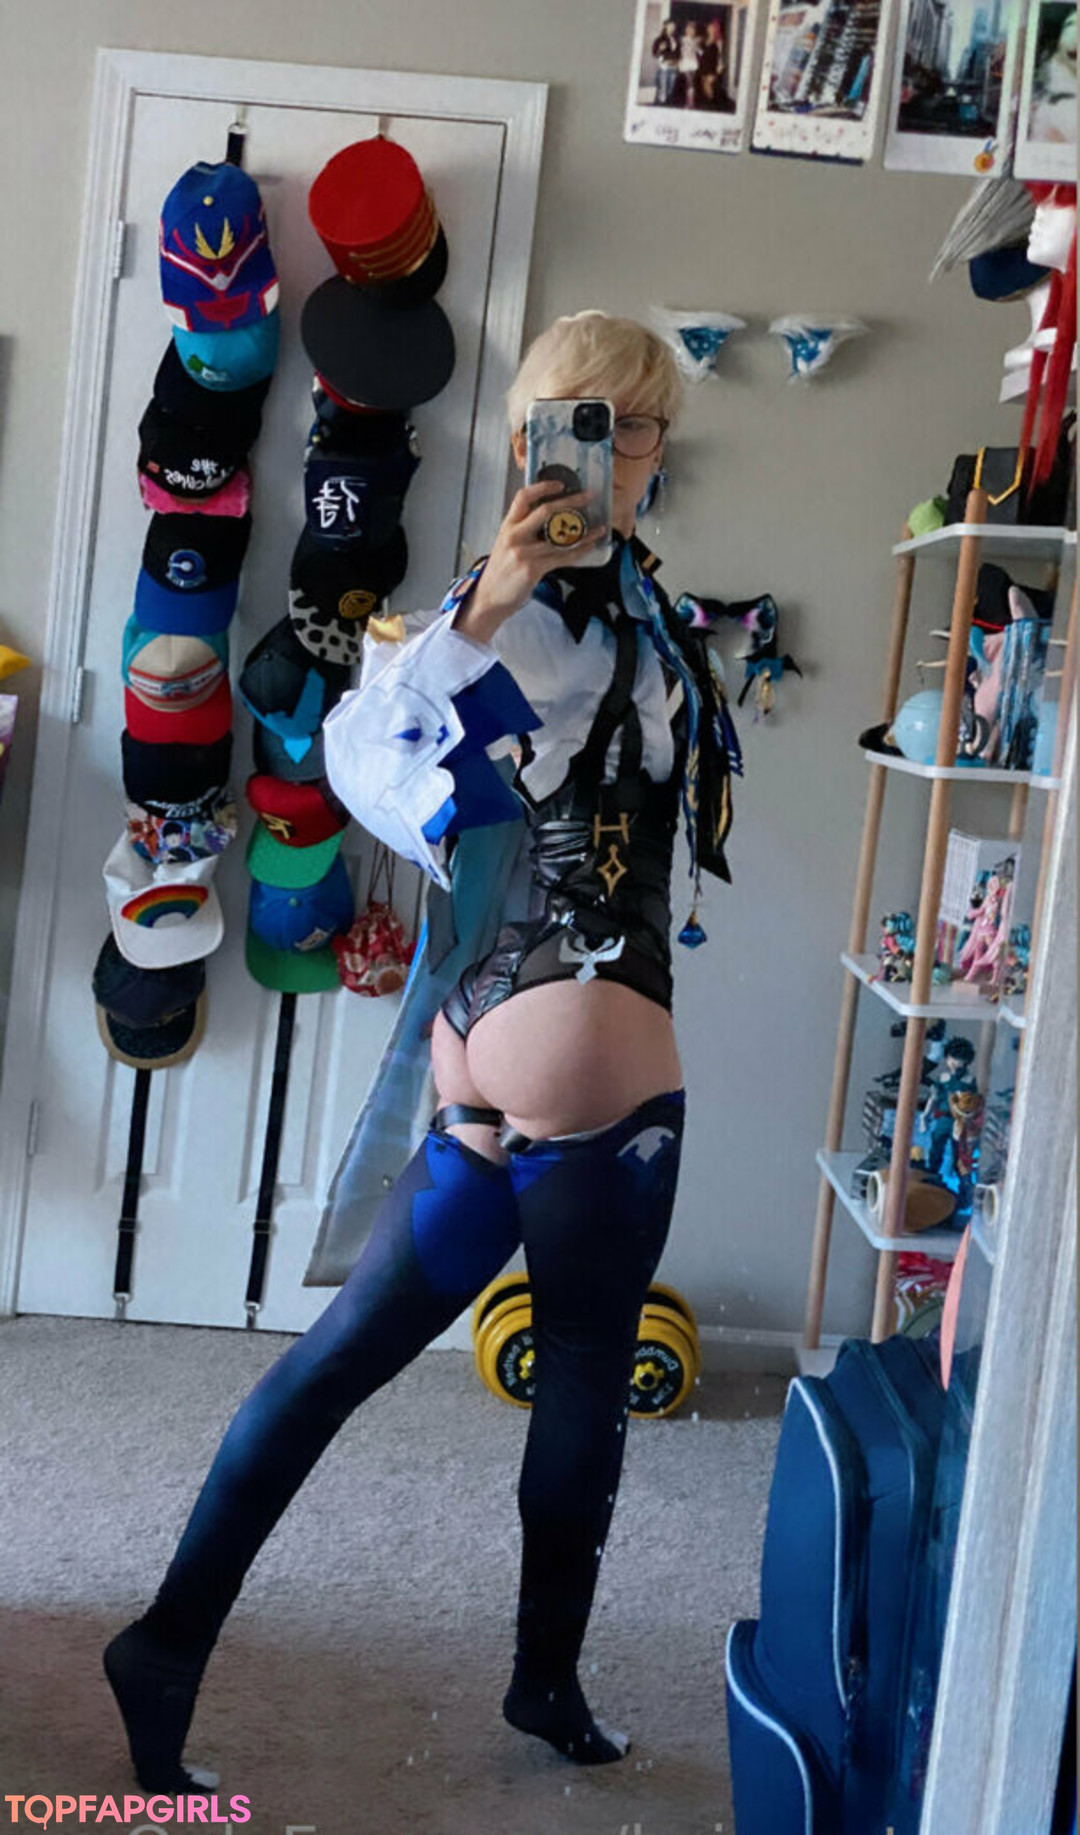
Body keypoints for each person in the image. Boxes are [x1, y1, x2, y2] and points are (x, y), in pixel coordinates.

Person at [102, 311, 739, 1791]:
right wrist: (491, 600)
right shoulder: (509, 607)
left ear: (662, 447)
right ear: (529, 439)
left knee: (338, 1361)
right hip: (584, 1042)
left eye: (641, 424)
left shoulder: (635, 605)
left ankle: (166, 1641)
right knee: (581, 1364)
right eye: (587, 421)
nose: (619, 450)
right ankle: (544, 1677)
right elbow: (368, 745)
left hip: (487, 1046)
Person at [651, 17, 681, 106]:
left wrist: (677, 62)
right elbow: (655, 53)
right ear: (665, 26)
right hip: (664, 67)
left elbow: (678, 54)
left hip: (673, 67)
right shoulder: (659, 39)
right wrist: (660, 49)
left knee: (670, 90)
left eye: (673, 26)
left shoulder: (676, 39)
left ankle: (666, 105)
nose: (672, 28)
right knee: (662, 91)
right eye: (670, 26)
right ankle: (659, 105)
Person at [674, 20, 704, 107]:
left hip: (693, 63)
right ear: (686, 30)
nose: (690, 31)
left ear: (694, 31)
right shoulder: (682, 39)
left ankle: (690, 102)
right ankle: (689, 102)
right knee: (689, 82)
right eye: (689, 29)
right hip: (685, 62)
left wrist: (699, 47)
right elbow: (678, 50)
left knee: (691, 83)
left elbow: (700, 52)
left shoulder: (695, 41)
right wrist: (677, 61)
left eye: (692, 29)